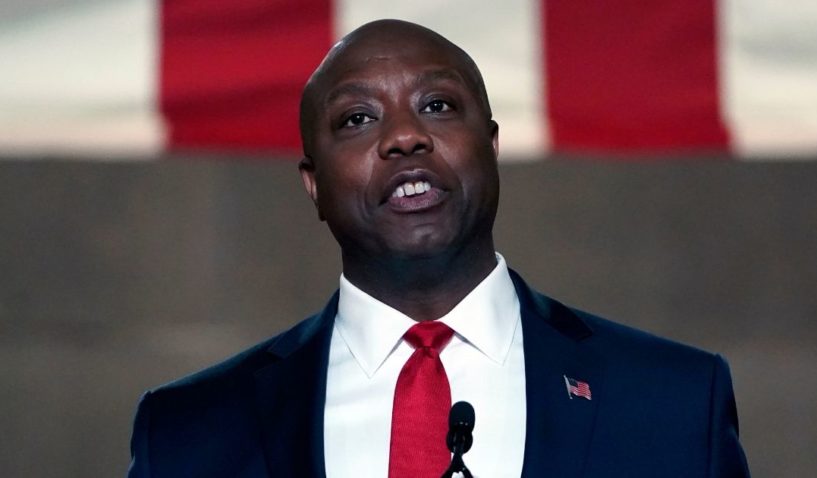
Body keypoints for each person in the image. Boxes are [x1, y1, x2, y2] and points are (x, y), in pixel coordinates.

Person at [127, 19, 750, 478]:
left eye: (437, 105)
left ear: (493, 145)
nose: (404, 136)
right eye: (357, 119)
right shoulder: (189, 432)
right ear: (313, 183)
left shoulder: (674, 401)